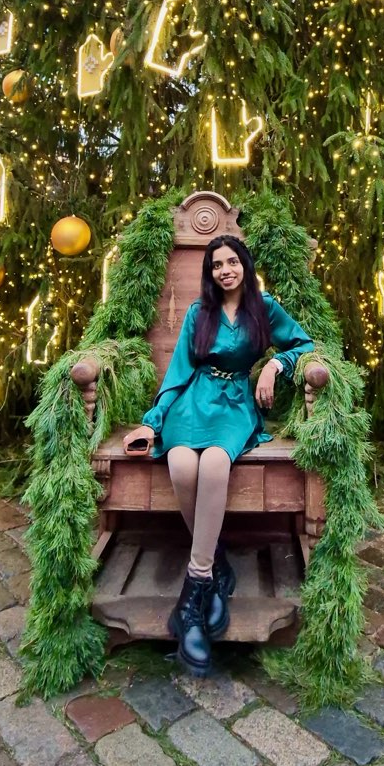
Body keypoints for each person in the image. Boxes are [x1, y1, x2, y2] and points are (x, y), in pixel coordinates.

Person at [121, 234, 314, 676]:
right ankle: (215, 565)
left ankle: (195, 585)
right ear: (210, 273)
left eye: (232, 262)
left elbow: (304, 344)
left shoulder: (264, 308)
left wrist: (274, 365)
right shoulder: (199, 312)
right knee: (180, 463)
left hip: (234, 403)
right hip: (192, 400)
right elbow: (178, 372)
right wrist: (152, 422)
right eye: (216, 265)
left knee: (213, 462)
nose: (225, 271)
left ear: (244, 265)